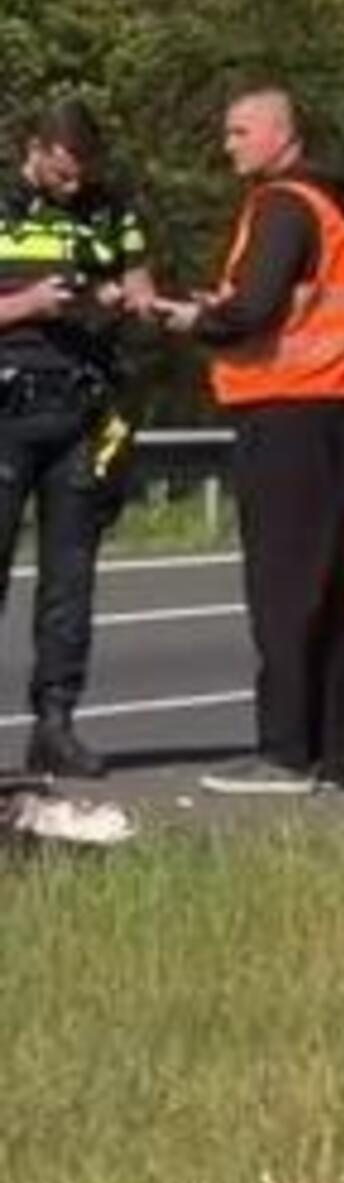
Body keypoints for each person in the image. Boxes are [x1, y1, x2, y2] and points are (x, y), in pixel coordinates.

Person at [152, 88, 344, 797]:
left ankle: (284, 754)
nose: (229, 145)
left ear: (282, 132)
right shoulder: (324, 204)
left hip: (288, 414)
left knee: (282, 590)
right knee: (320, 594)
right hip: (328, 415)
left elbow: (253, 311)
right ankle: (326, 755)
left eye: (240, 131)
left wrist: (192, 318)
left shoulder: (282, 205)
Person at [0, 104, 159, 779]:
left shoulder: (110, 209)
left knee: (70, 579)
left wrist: (122, 298)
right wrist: (29, 305)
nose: (73, 184)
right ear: (34, 151)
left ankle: (56, 724)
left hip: (82, 411)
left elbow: (145, 290)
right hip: (8, 407)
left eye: (83, 172)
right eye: (62, 172)